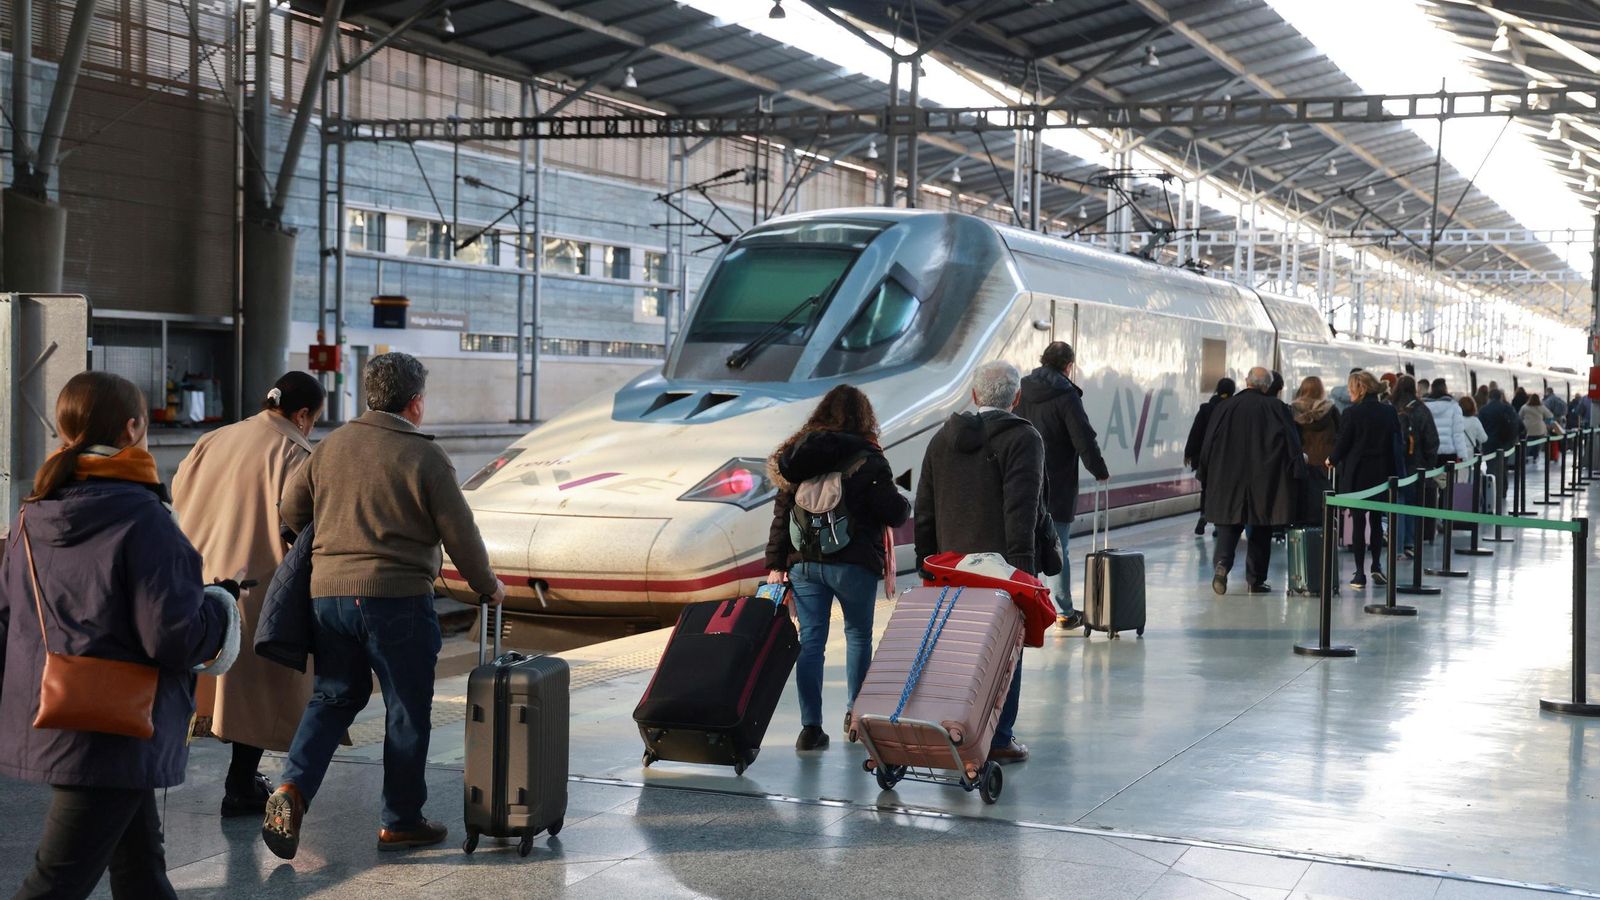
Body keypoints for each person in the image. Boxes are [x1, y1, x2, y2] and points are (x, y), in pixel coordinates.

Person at [1, 372, 236, 899]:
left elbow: (10, 612)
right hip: (114, 727)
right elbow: (172, 637)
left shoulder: (31, 515)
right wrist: (220, 610)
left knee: (141, 869)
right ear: (132, 429)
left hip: (60, 710)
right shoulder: (143, 518)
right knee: (56, 882)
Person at [264, 352, 505, 860]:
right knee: (406, 708)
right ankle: (400, 821)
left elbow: (290, 507)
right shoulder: (424, 455)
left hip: (328, 596)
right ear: (415, 404)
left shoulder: (331, 447)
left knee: (332, 697)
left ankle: (291, 789)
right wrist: (488, 586)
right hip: (395, 600)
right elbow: (460, 534)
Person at [172, 371, 327, 818]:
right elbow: (303, 527)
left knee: (208, 686)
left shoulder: (215, 438)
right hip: (258, 585)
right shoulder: (297, 453)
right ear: (302, 415)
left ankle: (226, 779)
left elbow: (181, 493)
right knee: (261, 692)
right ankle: (241, 784)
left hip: (199, 579)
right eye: (313, 419)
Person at [914, 360, 1055, 765]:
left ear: (974, 395)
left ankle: (951, 729)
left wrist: (929, 564)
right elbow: (1022, 510)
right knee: (1005, 654)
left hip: (951, 569)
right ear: (1016, 398)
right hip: (1001, 571)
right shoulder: (1023, 439)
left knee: (957, 652)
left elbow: (923, 510)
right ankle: (998, 737)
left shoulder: (942, 438)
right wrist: (1024, 573)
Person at [765, 385, 909, 751]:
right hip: (853, 564)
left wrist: (775, 565)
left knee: (810, 642)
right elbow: (892, 511)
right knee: (858, 636)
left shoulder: (797, 458)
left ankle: (810, 728)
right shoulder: (868, 457)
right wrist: (901, 502)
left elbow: (782, 516)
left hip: (804, 564)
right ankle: (855, 717)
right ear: (865, 417)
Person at [1016, 341, 1110, 629]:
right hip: (1056, 485)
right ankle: (1063, 612)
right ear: (1069, 366)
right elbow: (1082, 437)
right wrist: (1099, 470)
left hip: (1020, 480)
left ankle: (1023, 604)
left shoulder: (1022, 388)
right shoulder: (1067, 395)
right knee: (1057, 548)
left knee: (1021, 545)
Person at [1198, 367, 1304, 595]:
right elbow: (1292, 443)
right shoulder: (1277, 408)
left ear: (1247, 382)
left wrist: (1204, 472)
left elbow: (1208, 443)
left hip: (1227, 478)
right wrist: (1298, 471)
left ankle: (1222, 566)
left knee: (1228, 525)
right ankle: (1255, 580)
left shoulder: (1225, 407)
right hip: (1264, 479)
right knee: (1260, 528)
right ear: (1266, 386)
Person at [1328, 371, 1401, 588]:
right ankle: (1377, 565)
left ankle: (1359, 573)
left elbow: (1343, 443)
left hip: (1358, 474)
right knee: (1377, 521)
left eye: (1351, 388)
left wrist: (1331, 459)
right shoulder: (1389, 412)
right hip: (1381, 472)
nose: (1348, 392)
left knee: (1358, 523)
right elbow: (1396, 441)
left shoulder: (1352, 413)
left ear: (1359, 389)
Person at [1392, 375, 1438, 557]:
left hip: (1395, 465)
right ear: (1414, 389)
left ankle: (1396, 546)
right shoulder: (1422, 410)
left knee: (1396, 503)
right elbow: (1432, 440)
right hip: (1416, 466)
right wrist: (1429, 464)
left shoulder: (1391, 407)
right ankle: (1409, 542)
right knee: (1412, 503)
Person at [1183, 378, 1235, 536]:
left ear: (1217, 390)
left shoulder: (1206, 409)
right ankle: (1219, 525)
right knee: (1224, 490)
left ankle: (1204, 515)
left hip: (1206, 458)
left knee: (1207, 488)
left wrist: (1189, 453)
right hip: (1226, 458)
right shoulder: (1233, 409)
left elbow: (1196, 432)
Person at [1290, 376, 1339, 527]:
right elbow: (1341, 434)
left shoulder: (1292, 410)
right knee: (1324, 501)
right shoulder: (1331, 410)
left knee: (1302, 500)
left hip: (1302, 462)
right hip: (1326, 463)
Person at [1478, 388, 1520, 513]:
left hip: (1489, 443)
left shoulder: (1484, 410)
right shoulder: (1507, 408)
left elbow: (1481, 426)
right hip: (1504, 443)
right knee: (1503, 467)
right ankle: (1503, 491)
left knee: (1491, 467)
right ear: (1501, 396)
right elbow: (1516, 423)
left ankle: (1493, 493)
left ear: (1489, 397)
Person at [1423, 379, 1468, 465]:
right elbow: (1458, 434)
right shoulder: (1454, 407)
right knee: (1448, 478)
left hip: (1430, 451)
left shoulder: (1424, 407)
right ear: (1445, 389)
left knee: (1431, 477)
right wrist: (1462, 455)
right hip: (1449, 453)